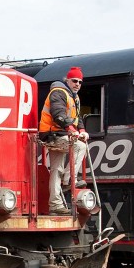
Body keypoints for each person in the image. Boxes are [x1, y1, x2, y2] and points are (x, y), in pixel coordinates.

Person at [38, 66, 88, 214]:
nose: (77, 84)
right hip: (52, 135)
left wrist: (82, 130)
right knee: (80, 147)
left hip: (60, 135)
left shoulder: (75, 97)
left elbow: (76, 117)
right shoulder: (59, 93)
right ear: (67, 80)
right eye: (74, 81)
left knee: (56, 170)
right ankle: (68, 179)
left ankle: (55, 205)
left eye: (80, 82)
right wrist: (72, 131)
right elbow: (58, 114)